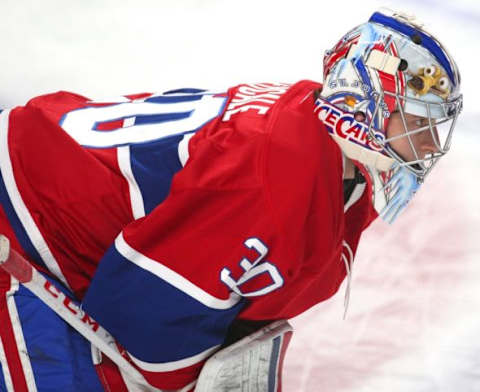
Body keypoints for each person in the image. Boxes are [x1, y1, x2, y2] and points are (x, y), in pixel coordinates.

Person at [0, 8, 462, 392]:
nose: (428, 146)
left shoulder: (330, 159)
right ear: (365, 103)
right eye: (417, 121)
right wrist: (176, 374)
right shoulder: (273, 177)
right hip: (24, 216)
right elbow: (143, 317)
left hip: (50, 204)